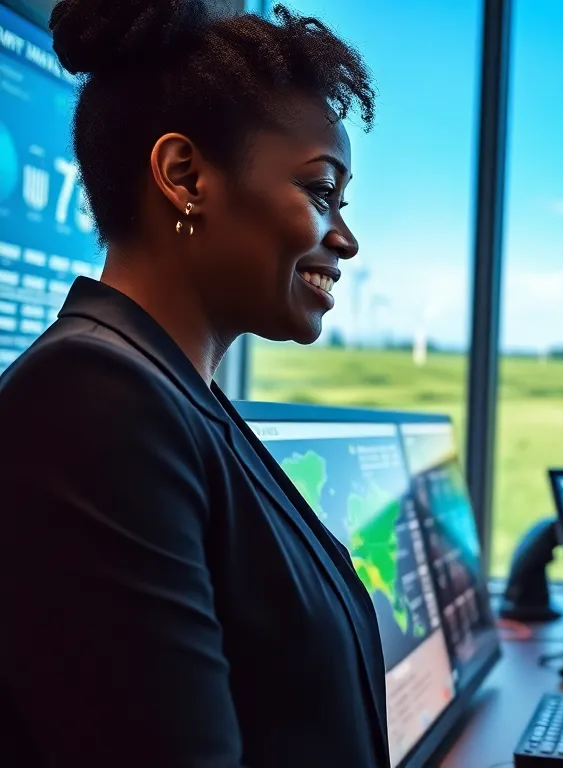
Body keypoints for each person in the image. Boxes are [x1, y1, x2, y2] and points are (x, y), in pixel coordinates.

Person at [0, 2, 386, 766]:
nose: (344, 237)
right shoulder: (94, 402)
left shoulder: (177, 396)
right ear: (185, 177)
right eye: (320, 192)